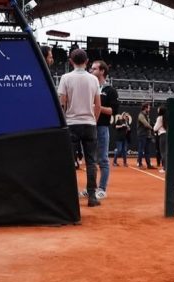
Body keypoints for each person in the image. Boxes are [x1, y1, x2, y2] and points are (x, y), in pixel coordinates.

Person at [57, 48, 101, 207]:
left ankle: (67, 196)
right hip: (89, 124)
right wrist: (93, 121)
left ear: (71, 61)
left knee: (68, 161)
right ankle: (92, 197)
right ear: (87, 61)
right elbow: (98, 105)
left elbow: (62, 102)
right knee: (91, 162)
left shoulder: (65, 78)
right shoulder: (94, 80)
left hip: (71, 124)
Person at [90, 59, 119, 200]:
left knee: (102, 159)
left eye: (94, 68)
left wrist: (97, 107)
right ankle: (91, 188)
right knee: (91, 160)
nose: (91, 70)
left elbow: (113, 111)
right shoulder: (90, 87)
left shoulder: (110, 90)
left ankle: (102, 189)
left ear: (102, 71)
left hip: (102, 128)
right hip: (89, 126)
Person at [136, 102, 155, 168]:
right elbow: (146, 124)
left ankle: (148, 164)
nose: (149, 109)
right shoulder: (141, 115)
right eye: (149, 107)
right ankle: (139, 163)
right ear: (145, 108)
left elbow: (148, 124)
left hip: (147, 135)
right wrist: (152, 128)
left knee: (147, 151)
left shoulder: (147, 115)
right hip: (142, 135)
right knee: (141, 150)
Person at [153, 105, 168, 173]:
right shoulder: (167, 117)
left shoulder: (160, 118)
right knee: (166, 152)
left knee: (163, 152)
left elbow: (155, 128)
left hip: (162, 136)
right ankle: (166, 167)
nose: (157, 110)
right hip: (167, 135)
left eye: (158, 109)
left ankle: (165, 168)